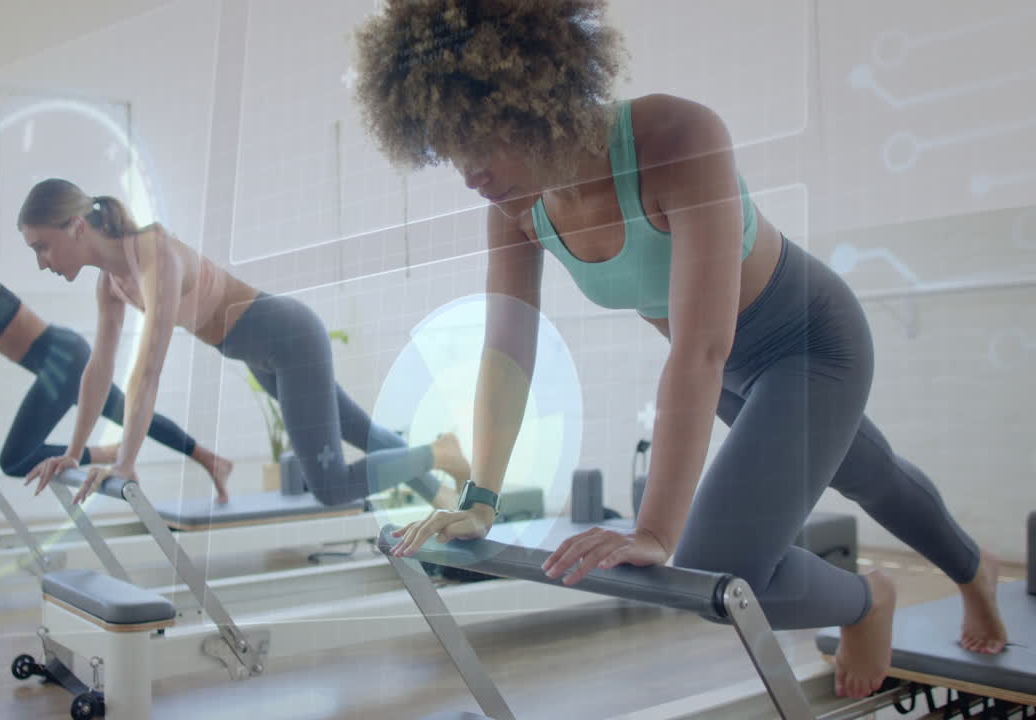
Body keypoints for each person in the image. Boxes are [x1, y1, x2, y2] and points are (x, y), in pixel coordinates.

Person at [352, 0, 1007, 699]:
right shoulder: (516, 208)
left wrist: (656, 530)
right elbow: (508, 348)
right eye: (448, 147)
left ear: (534, 95)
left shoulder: (674, 137)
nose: (468, 173)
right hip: (732, 371)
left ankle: (872, 597)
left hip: (811, 345)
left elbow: (699, 348)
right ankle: (970, 569)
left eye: (478, 141)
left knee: (714, 566)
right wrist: (479, 497)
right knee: (870, 473)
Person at [15, 179, 471, 510]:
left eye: (42, 247)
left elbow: (148, 368)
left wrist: (126, 462)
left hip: (287, 337)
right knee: (363, 433)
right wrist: (74, 452)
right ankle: (449, 499)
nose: (41, 263)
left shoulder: (153, 252)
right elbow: (99, 370)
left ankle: (440, 453)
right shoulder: (111, 284)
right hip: (262, 353)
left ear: (76, 226)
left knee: (330, 487)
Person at [0, 202, 233, 502]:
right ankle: (209, 458)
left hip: (60, 358)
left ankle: (112, 453)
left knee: (15, 459)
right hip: (59, 360)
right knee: (126, 411)